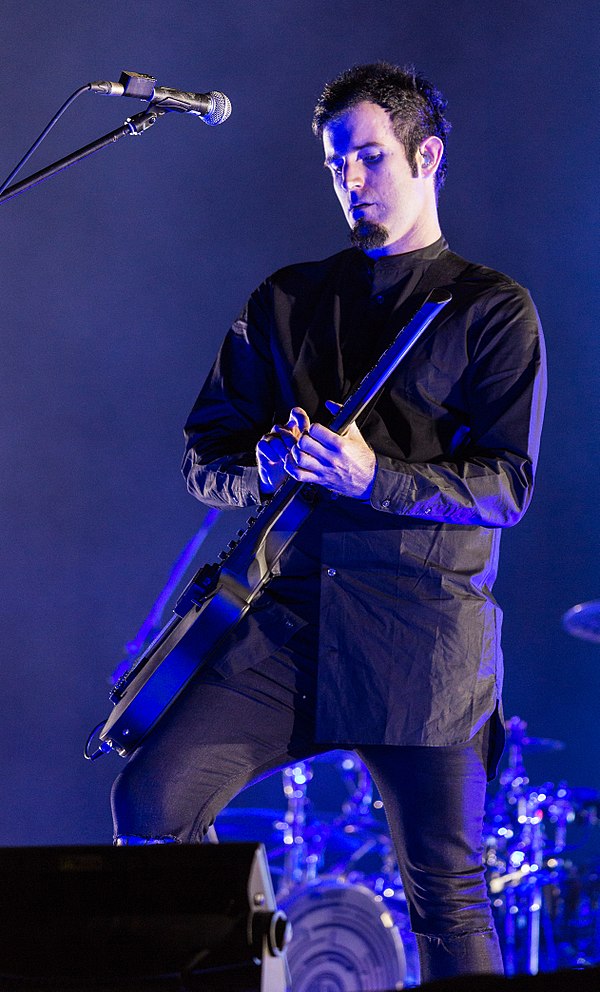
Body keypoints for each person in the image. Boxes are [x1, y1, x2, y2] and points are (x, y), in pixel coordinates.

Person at [111, 62, 546, 981]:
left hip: (423, 634)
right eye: (336, 165)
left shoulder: (491, 309)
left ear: (427, 155)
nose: (351, 181)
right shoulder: (287, 301)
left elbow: (506, 486)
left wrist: (371, 475)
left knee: (448, 895)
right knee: (151, 803)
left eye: (369, 159)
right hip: (294, 621)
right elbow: (205, 457)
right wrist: (260, 465)